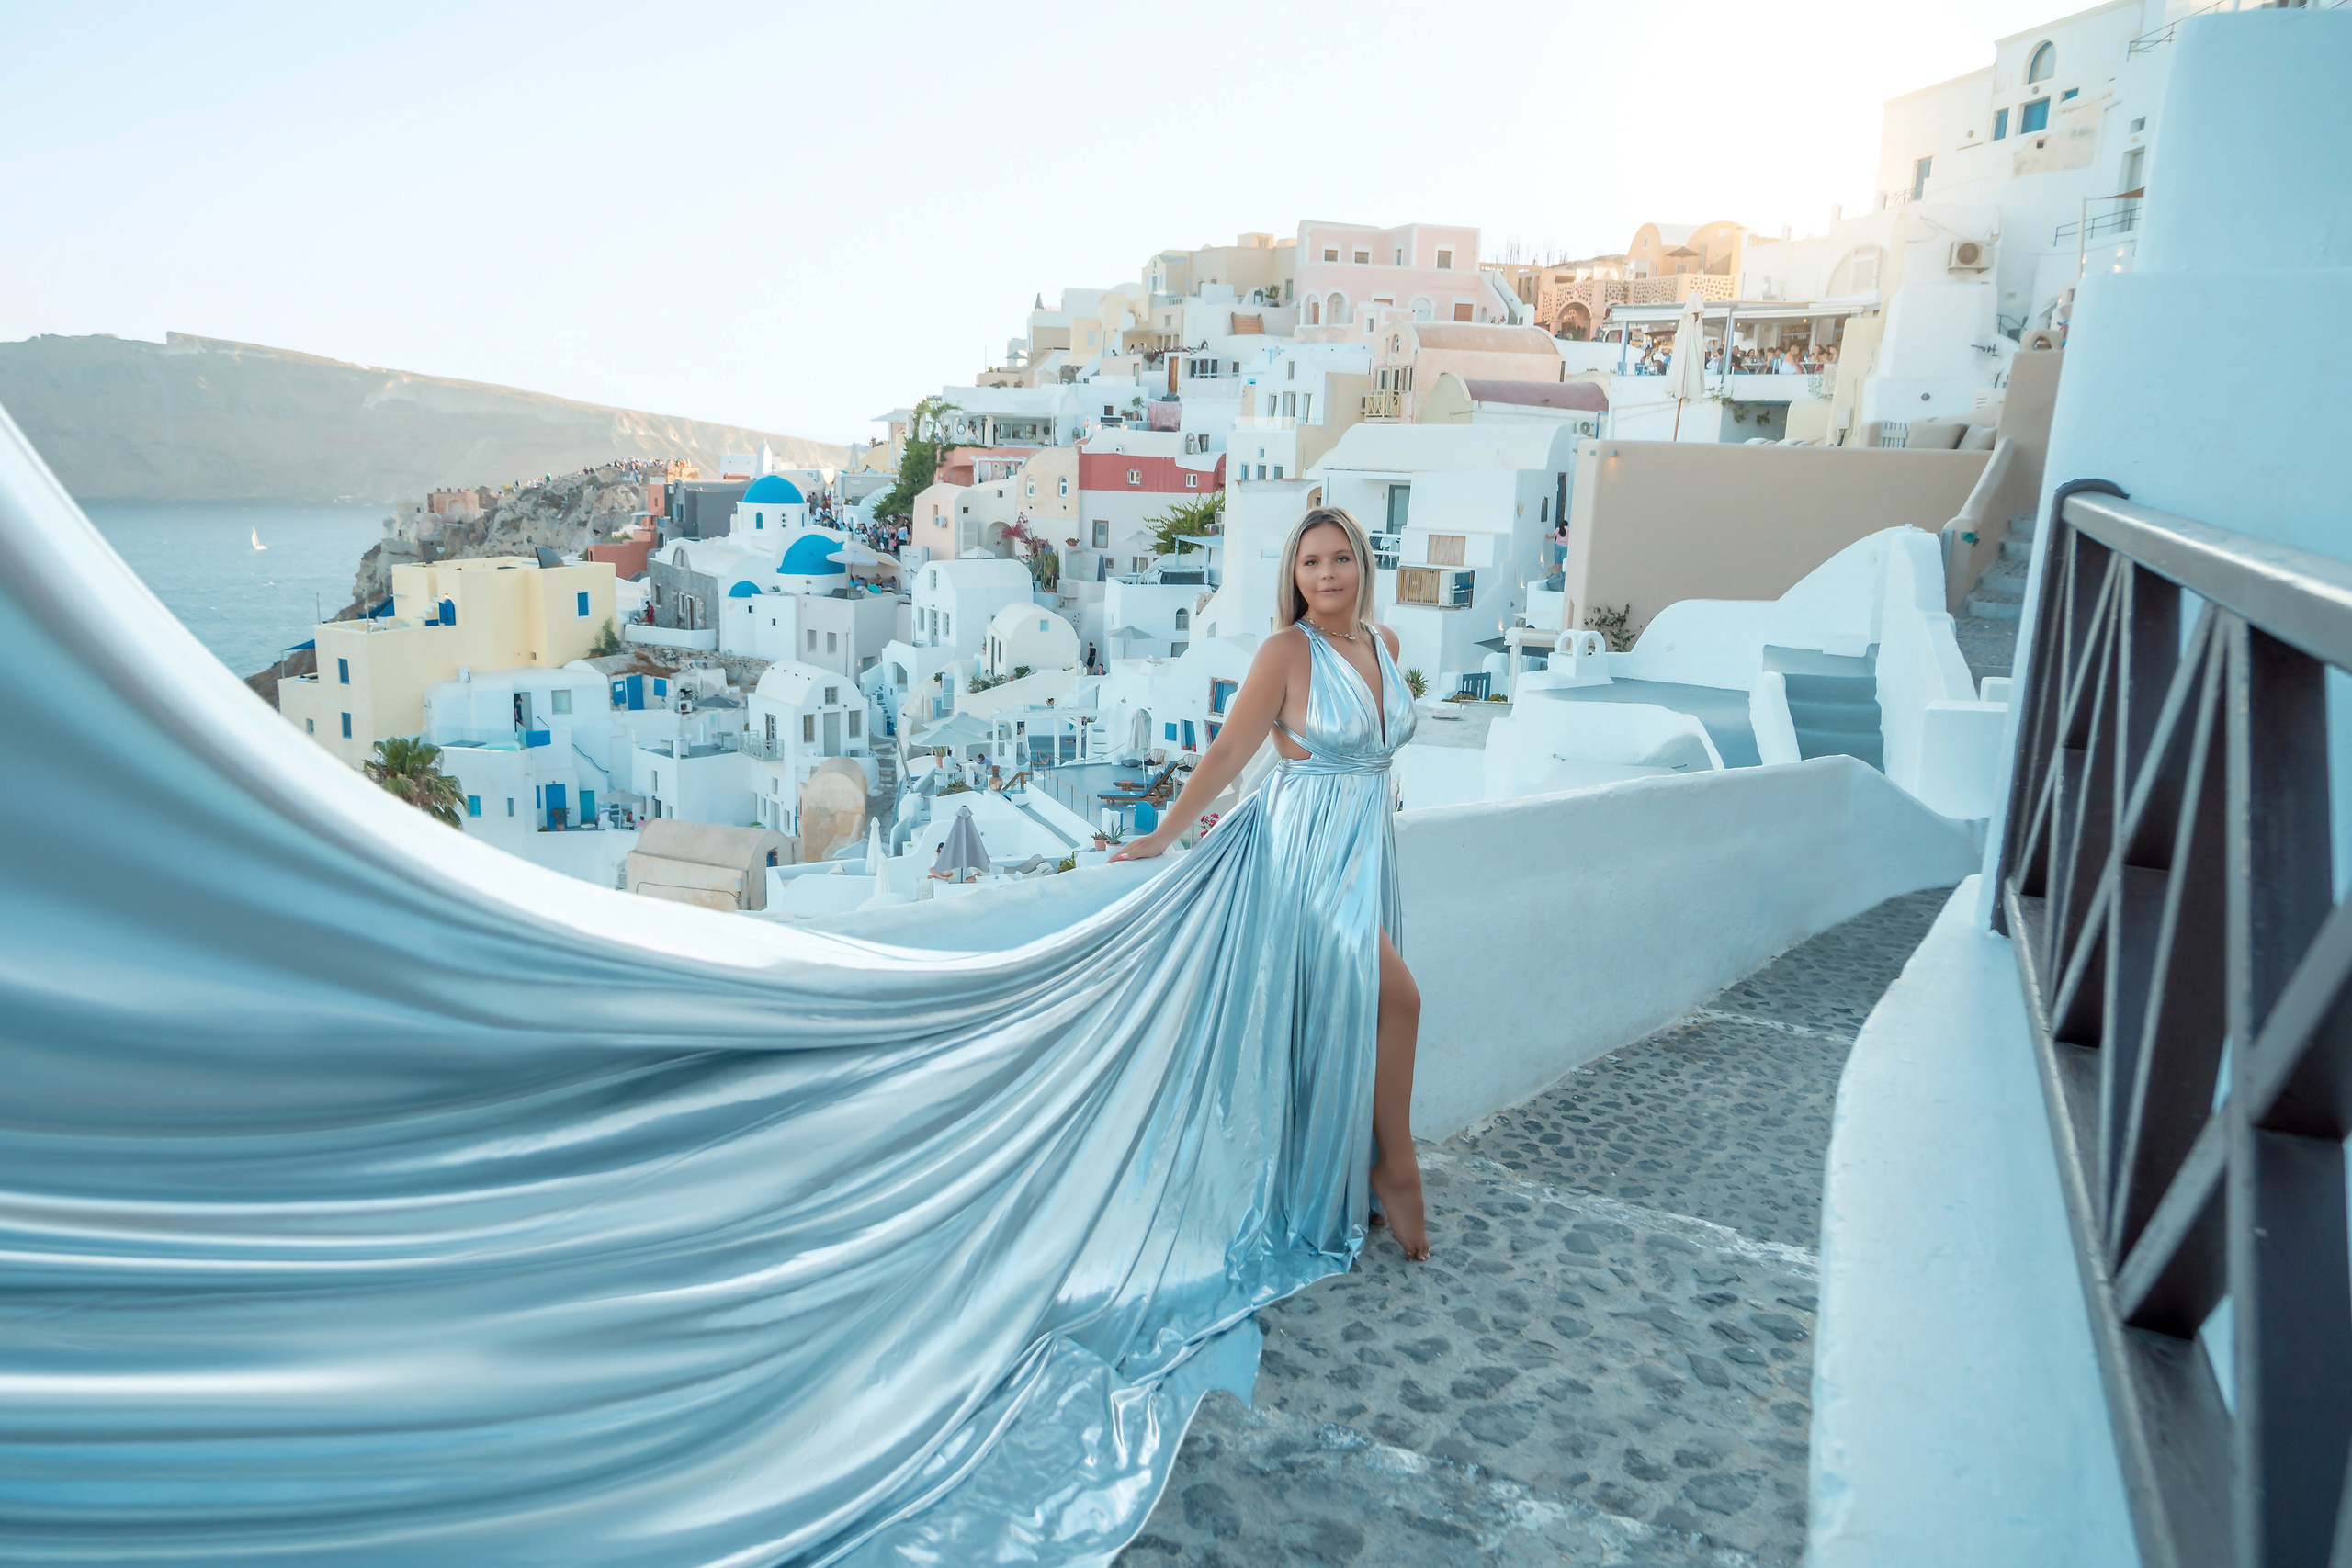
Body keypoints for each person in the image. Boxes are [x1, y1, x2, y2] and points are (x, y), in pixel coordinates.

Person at [1111, 505, 1428, 1258]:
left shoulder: (1384, 643)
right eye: (1310, 562)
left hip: (1365, 844)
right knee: (1400, 998)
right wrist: (1162, 834)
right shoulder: (1286, 651)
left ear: (1362, 564)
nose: (1326, 574)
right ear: (1293, 574)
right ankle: (1395, 1165)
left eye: (1340, 558)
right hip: (1304, 851)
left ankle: (1351, 1166)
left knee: (1352, 1011)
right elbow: (1227, 753)